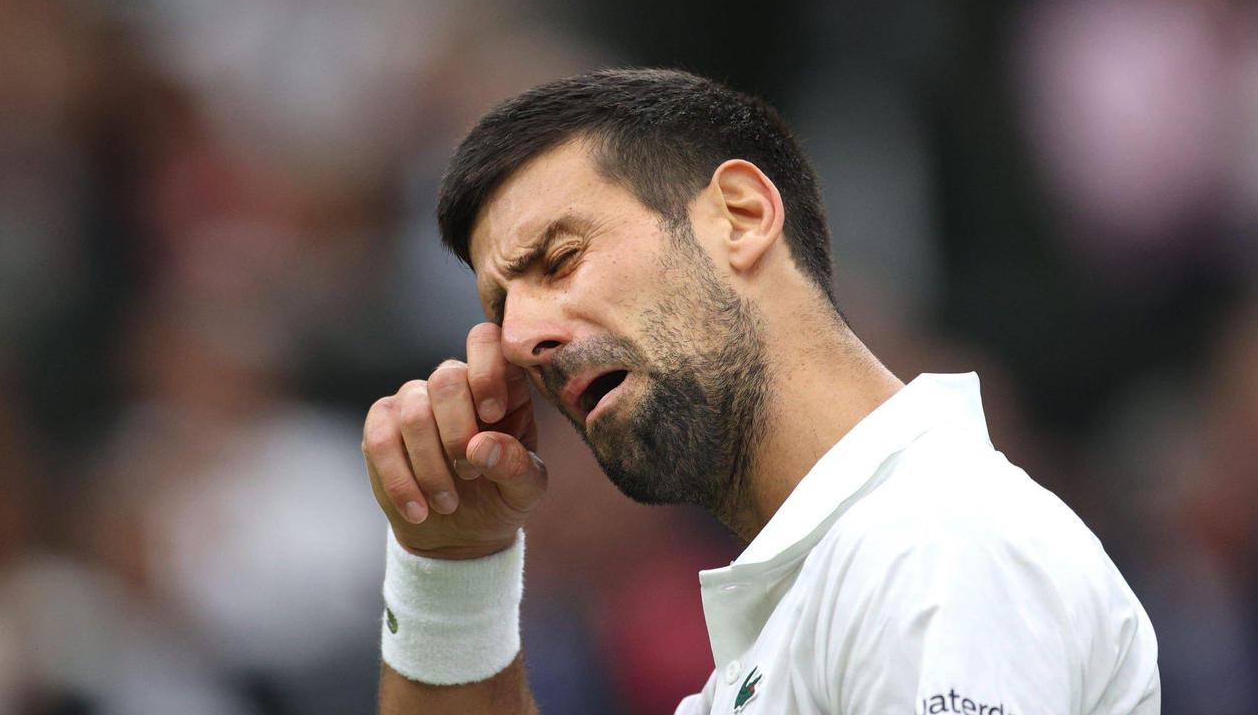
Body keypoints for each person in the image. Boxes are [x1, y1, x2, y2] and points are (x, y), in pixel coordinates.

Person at [360, 69, 1160, 714]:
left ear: (740, 217)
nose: (521, 338)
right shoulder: (806, 610)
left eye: (561, 258)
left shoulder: (935, 544)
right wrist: (454, 568)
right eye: (503, 307)